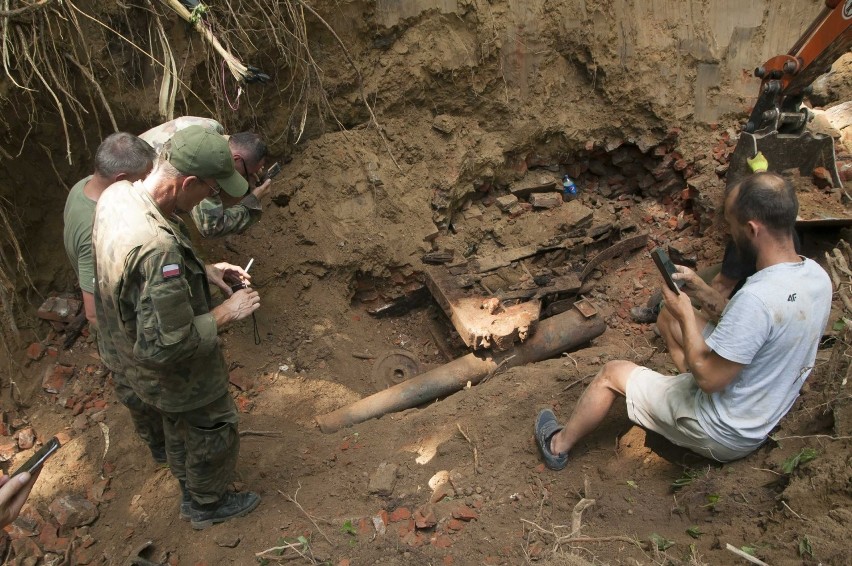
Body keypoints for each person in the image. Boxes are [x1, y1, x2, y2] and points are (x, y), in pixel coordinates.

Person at [535, 172, 832, 469]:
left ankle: (557, 445)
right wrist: (699, 289)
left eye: (732, 226)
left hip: (724, 431)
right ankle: (674, 395)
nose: (730, 233)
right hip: (761, 408)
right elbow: (757, 326)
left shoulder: (756, 299)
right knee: (669, 317)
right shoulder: (816, 276)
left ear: (753, 229)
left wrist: (687, 312)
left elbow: (709, 381)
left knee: (612, 374)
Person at [92, 125, 262, 529]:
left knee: (176, 425)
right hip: (172, 372)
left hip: (126, 355)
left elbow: (132, 279)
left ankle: (187, 483)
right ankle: (206, 504)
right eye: (209, 189)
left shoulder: (118, 196)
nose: (211, 197)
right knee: (210, 424)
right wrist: (227, 313)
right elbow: (168, 345)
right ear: (186, 182)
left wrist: (204, 270)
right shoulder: (157, 247)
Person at [62, 133, 168, 465]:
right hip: (115, 329)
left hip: (117, 310)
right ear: (120, 179)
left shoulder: (84, 188)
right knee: (138, 391)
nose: (146, 184)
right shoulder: (92, 223)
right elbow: (93, 312)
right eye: (141, 178)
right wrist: (131, 349)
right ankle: (160, 447)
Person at [138, 117, 272, 238]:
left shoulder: (211, 129)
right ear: (236, 159)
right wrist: (252, 202)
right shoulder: (207, 167)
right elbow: (210, 227)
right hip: (141, 197)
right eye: (247, 174)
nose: (248, 178)